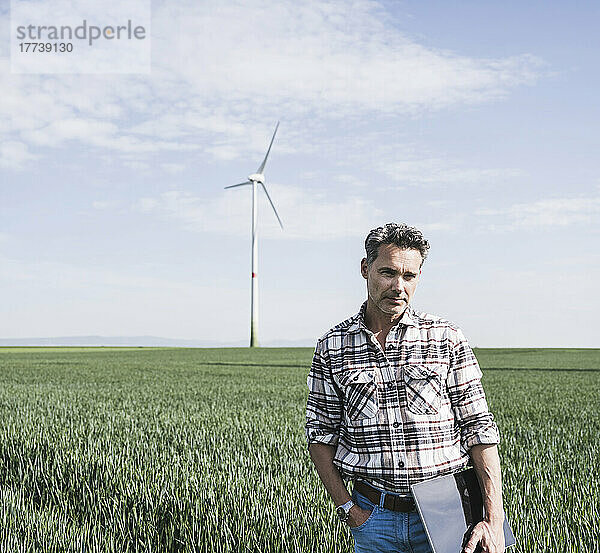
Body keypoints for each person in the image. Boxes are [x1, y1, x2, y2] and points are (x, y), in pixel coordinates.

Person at [305, 222, 505, 553]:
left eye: (409, 276)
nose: (399, 286)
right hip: (374, 518)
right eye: (388, 273)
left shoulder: (446, 338)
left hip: (449, 515)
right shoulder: (332, 346)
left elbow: (479, 430)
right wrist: (349, 510)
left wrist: (494, 520)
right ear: (365, 269)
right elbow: (320, 435)